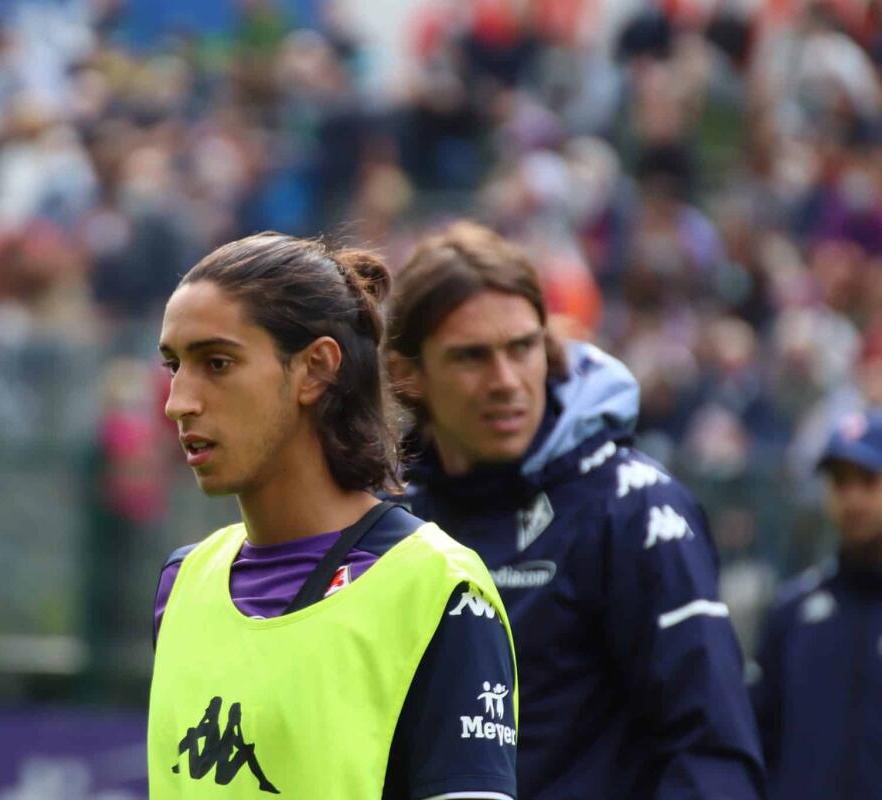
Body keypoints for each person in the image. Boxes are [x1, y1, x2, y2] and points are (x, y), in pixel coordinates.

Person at [386, 222, 764, 799]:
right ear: (406, 374)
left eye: (522, 348)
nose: (506, 381)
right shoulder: (387, 521)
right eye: (471, 357)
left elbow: (712, 754)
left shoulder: (634, 507)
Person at [149, 232, 519, 799]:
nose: (178, 402)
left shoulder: (440, 589)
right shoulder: (180, 586)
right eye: (175, 366)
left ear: (316, 369)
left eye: (217, 363)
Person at [752, 409, 882, 800]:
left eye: (868, 481)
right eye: (840, 483)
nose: (852, 499)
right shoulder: (792, 613)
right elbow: (759, 739)